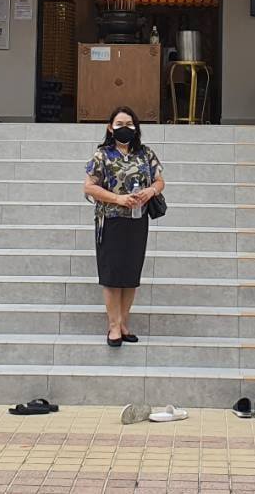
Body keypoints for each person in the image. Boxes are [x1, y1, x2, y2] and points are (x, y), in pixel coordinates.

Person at [83, 106, 165, 347]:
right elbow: (89, 187)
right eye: (119, 124)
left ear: (136, 128)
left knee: (130, 274)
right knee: (112, 274)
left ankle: (124, 322)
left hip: (137, 220)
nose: (125, 128)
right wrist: (118, 199)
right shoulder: (102, 155)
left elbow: (160, 181)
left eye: (129, 124)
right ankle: (113, 325)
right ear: (110, 128)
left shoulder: (145, 154)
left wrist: (150, 191)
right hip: (110, 220)